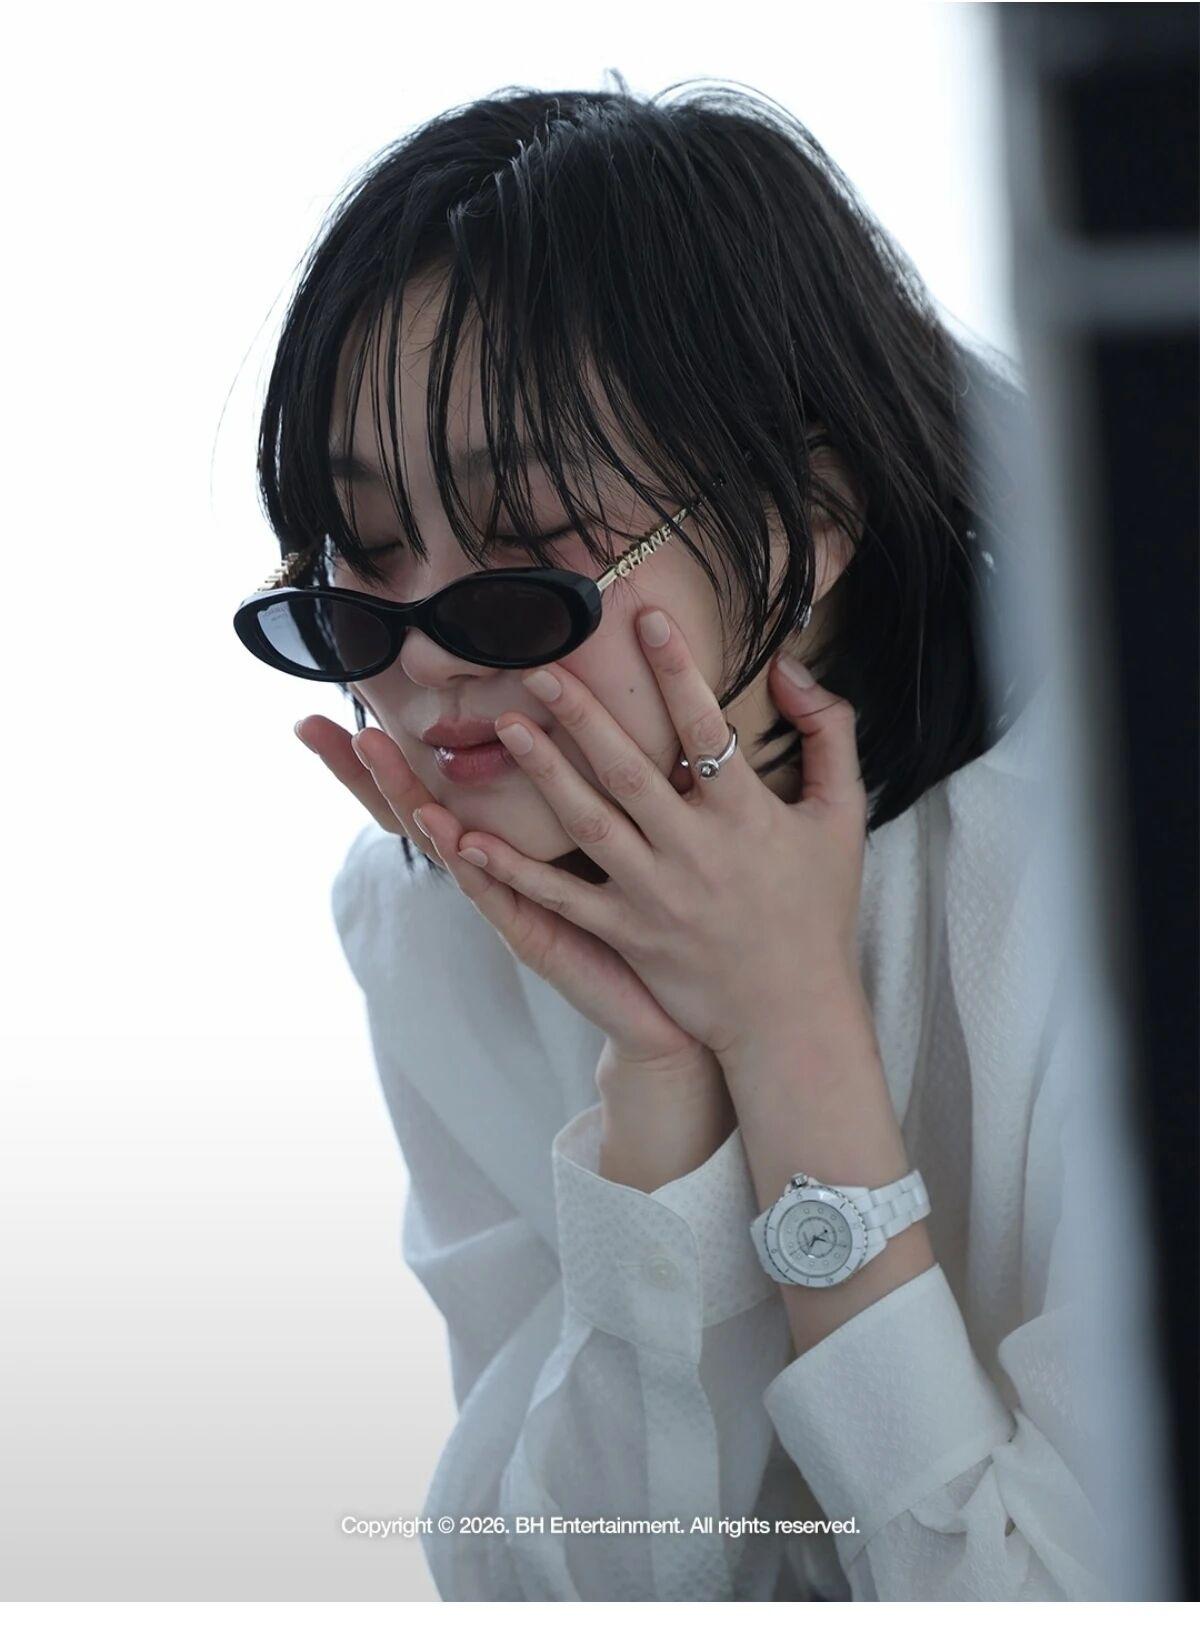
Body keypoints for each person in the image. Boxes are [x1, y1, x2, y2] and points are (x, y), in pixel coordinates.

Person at [247, 78, 1105, 1600]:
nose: (423, 658)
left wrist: (792, 1037)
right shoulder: (434, 913)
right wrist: (660, 1094)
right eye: (360, 560)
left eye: (527, 549)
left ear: (809, 516)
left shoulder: (1104, 882)